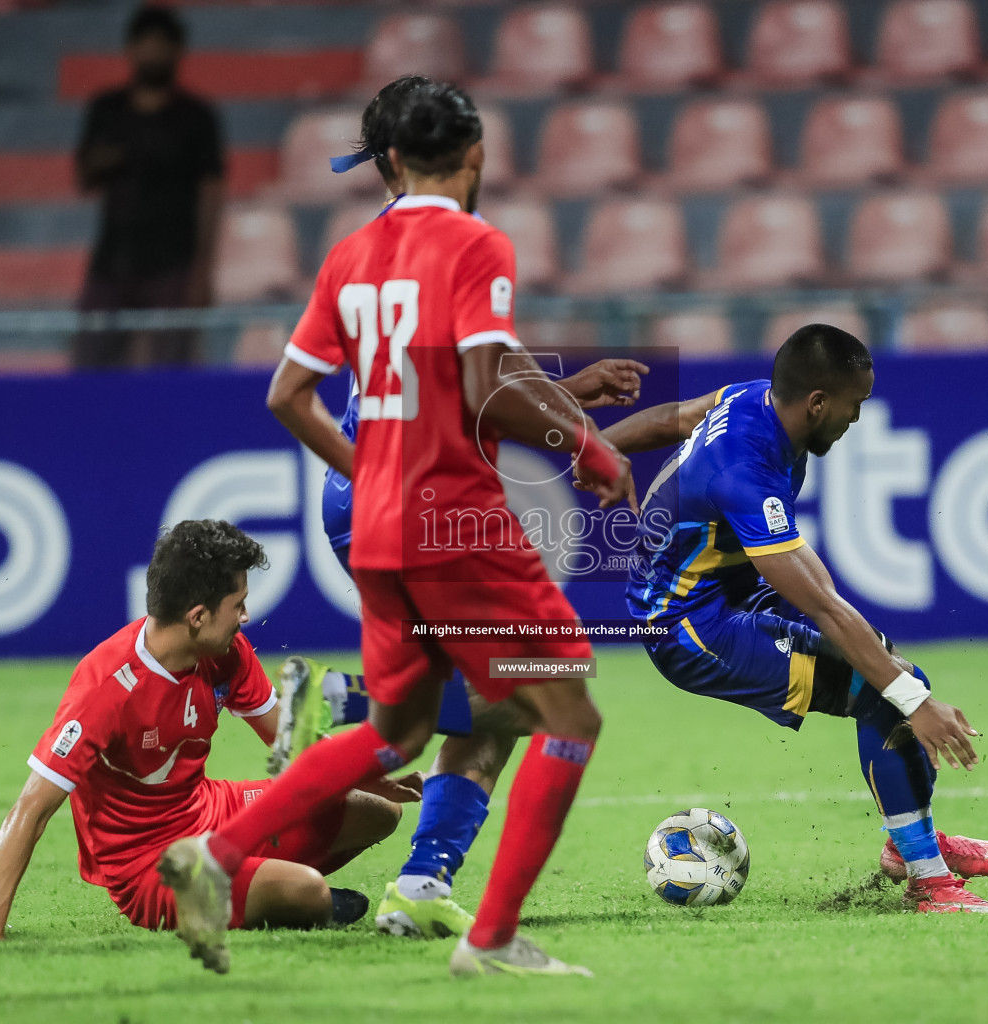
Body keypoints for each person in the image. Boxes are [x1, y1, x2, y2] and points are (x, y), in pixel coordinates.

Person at [157, 82, 635, 978]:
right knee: (568, 705)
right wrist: (586, 446)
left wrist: (370, 472)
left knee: (396, 735)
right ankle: (488, 941)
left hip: (377, 526)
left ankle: (212, 859)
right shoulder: (476, 242)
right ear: (475, 156)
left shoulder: (349, 255)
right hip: (455, 521)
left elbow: (285, 397)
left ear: (391, 162)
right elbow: (483, 377)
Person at [604, 324, 988, 913]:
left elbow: (673, 417)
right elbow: (821, 602)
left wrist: (588, 449)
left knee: (894, 669)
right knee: (888, 692)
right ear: (819, 403)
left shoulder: (751, 398)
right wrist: (916, 704)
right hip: (689, 625)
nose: (857, 419)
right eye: (856, 405)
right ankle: (929, 881)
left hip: (724, 590)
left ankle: (911, 843)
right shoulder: (744, 474)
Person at [0, 520, 419, 945]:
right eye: (237, 604)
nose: (245, 616)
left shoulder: (226, 654)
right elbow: (32, 808)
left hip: (211, 811)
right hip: (152, 867)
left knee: (377, 812)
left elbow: (289, 741)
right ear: (198, 616)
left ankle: (268, 887)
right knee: (309, 893)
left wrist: (363, 772)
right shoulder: (107, 688)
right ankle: (292, 897)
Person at [72, 4, 224, 370]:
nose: (153, 52)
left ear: (177, 52)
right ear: (130, 50)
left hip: (173, 266)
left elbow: (212, 193)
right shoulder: (107, 110)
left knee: (173, 370)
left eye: (162, 43)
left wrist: (202, 273)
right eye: (145, 43)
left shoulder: (196, 117)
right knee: (91, 368)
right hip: (111, 263)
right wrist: (115, 156)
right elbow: (84, 175)